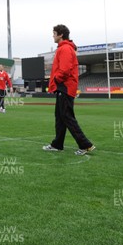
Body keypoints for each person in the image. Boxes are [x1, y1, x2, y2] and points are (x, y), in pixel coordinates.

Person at [43, 24, 96, 156]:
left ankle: (85, 145)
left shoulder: (65, 48)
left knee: (66, 116)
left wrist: (56, 80)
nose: (53, 35)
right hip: (64, 86)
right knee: (60, 117)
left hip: (64, 86)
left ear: (61, 35)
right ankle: (57, 144)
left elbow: (65, 69)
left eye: (54, 33)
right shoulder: (64, 48)